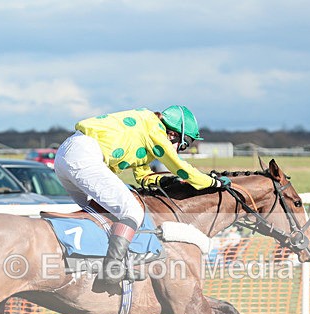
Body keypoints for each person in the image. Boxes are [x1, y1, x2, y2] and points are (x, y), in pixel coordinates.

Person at [54, 105, 231, 290]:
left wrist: (169, 181)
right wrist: (212, 182)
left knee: (99, 213)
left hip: (66, 155)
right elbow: (179, 166)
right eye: (185, 144)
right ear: (173, 134)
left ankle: (88, 262)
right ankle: (112, 268)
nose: (181, 150)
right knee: (132, 211)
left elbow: (143, 176)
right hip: (85, 157)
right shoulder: (156, 131)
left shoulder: (146, 128)